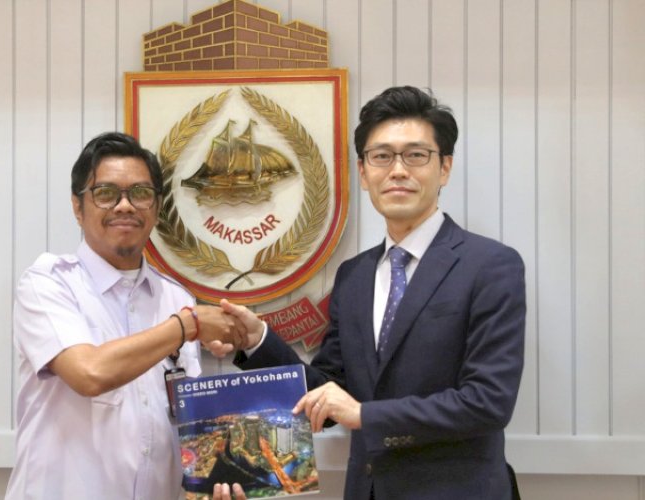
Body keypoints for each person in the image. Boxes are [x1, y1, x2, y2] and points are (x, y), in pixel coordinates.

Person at [215, 86, 526, 499]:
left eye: (416, 155)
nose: (398, 170)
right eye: (381, 156)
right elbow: (328, 396)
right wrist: (258, 341)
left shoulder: (490, 265)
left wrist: (363, 415)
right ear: (363, 173)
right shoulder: (354, 276)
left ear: (445, 168)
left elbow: (488, 403)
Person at [5, 132, 248, 500]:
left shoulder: (175, 296)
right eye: (105, 193)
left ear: (155, 206)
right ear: (77, 206)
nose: (125, 206)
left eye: (140, 193)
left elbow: (187, 423)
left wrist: (215, 481)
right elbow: (90, 373)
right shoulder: (48, 284)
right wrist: (188, 325)